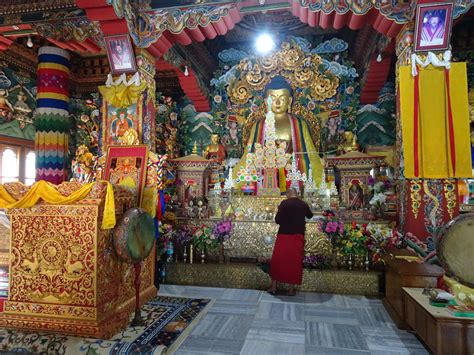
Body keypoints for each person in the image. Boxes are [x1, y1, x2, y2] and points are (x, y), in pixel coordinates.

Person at [233, 76, 323, 193]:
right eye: (273, 98)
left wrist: (290, 162)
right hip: (265, 171)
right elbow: (249, 155)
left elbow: (308, 153)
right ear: (266, 101)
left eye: (282, 98)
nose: (277, 102)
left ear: (289, 101)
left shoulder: (299, 124)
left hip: (292, 171)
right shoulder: (259, 125)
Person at [268, 188, 313, 296]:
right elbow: (310, 216)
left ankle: (274, 287)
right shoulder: (303, 204)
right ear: (297, 194)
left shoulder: (284, 203)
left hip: (284, 235)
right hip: (298, 235)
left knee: (278, 260)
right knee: (294, 261)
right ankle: (291, 289)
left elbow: (277, 220)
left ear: (288, 194)